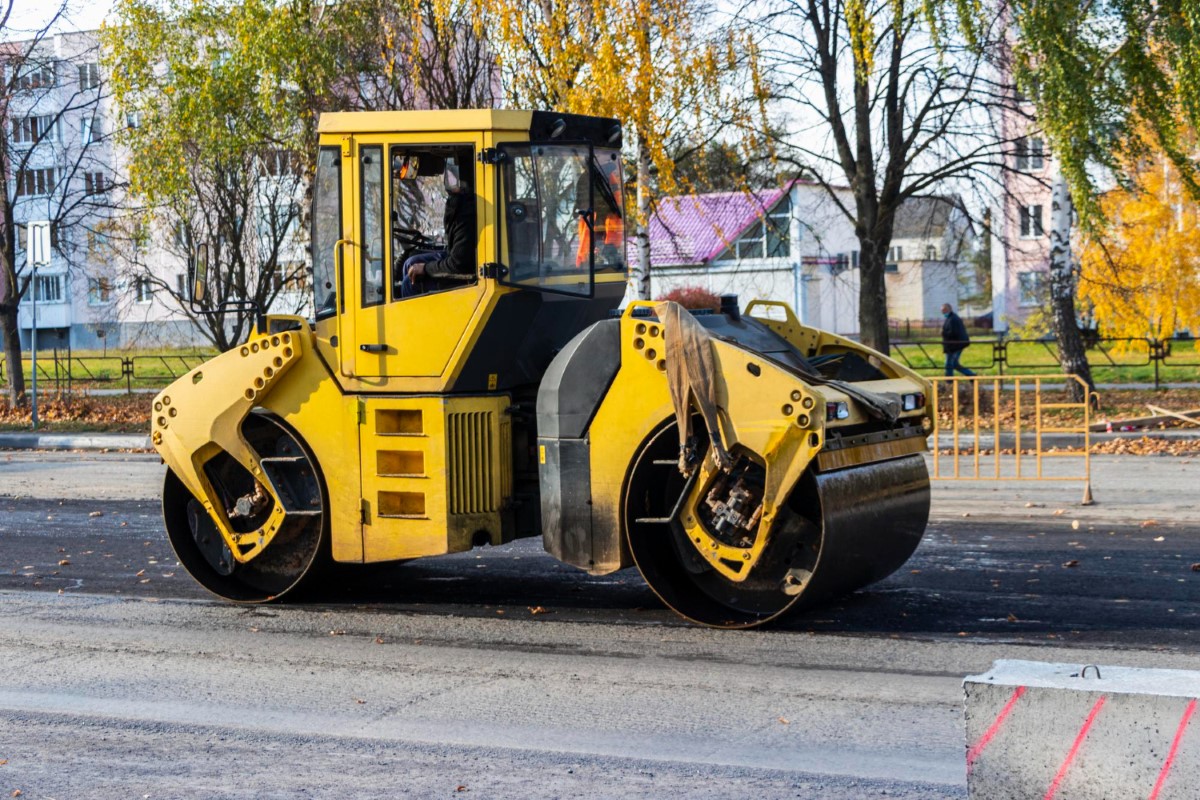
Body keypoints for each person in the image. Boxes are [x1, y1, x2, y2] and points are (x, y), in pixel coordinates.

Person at [400, 156, 475, 298]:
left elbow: (458, 265)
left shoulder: (468, 213)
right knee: (411, 262)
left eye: (456, 176)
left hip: (466, 274)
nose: (451, 181)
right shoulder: (460, 205)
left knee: (409, 285)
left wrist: (426, 268)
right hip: (458, 260)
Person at [941, 302, 975, 376]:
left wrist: (944, 333)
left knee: (949, 364)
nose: (942, 312)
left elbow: (953, 333)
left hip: (954, 346)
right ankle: (971, 375)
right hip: (954, 345)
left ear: (948, 309)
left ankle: (949, 382)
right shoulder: (951, 318)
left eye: (944, 310)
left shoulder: (953, 319)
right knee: (954, 364)